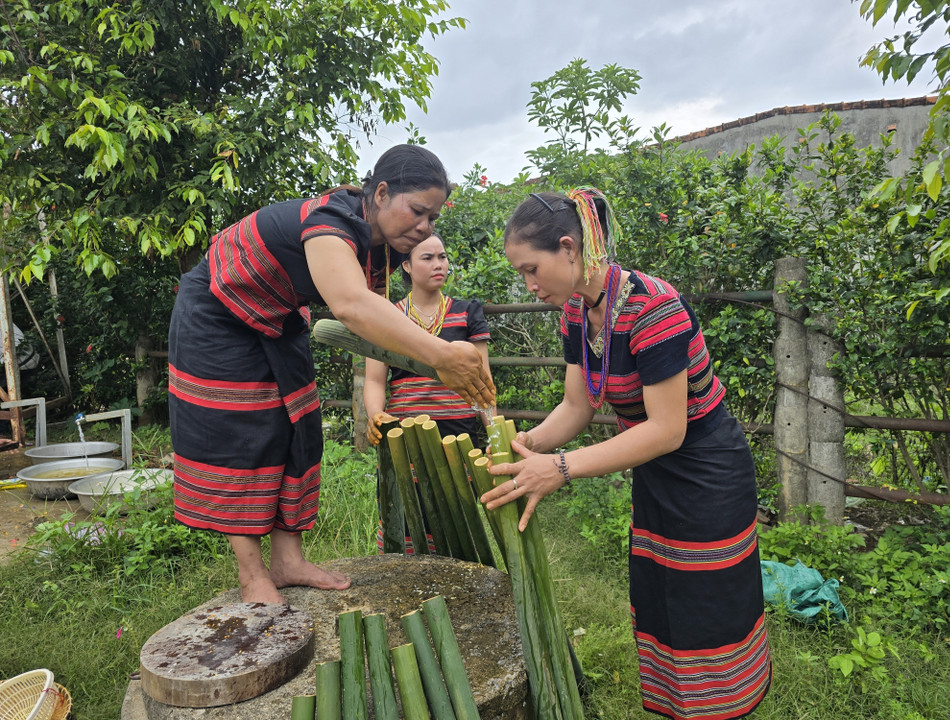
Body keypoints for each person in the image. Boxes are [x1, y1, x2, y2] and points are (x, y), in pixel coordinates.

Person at [481, 188, 770, 720]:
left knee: (709, 603)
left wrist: (560, 467)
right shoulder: (577, 314)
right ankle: (680, 708)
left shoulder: (652, 307)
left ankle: (724, 706)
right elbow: (577, 406)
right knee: (663, 595)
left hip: (706, 470)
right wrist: (525, 446)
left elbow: (666, 429)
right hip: (656, 471)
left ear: (569, 248)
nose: (529, 285)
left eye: (531, 269)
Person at [168, 145, 495, 605]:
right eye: (418, 211)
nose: (425, 227)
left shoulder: (377, 248)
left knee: (299, 427)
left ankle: (287, 560)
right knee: (243, 435)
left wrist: (437, 361)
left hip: (278, 317)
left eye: (433, 218)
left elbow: (375, 324)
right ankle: (252, 575)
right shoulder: (331, 221)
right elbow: (351, 306)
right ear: (381, 193)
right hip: (218, 313)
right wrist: (442, 354)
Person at [363, 233, 494, 553]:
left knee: (456, 521)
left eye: (442, 257)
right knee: (404, 518)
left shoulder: (467, 312)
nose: (439, 265)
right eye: (428, 258)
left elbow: (483, 381)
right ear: (406, 265)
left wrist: (495, 436)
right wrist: (375, 415)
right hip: (402, 434)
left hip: (457, 435)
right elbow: (375, 380)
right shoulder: (386, 315)